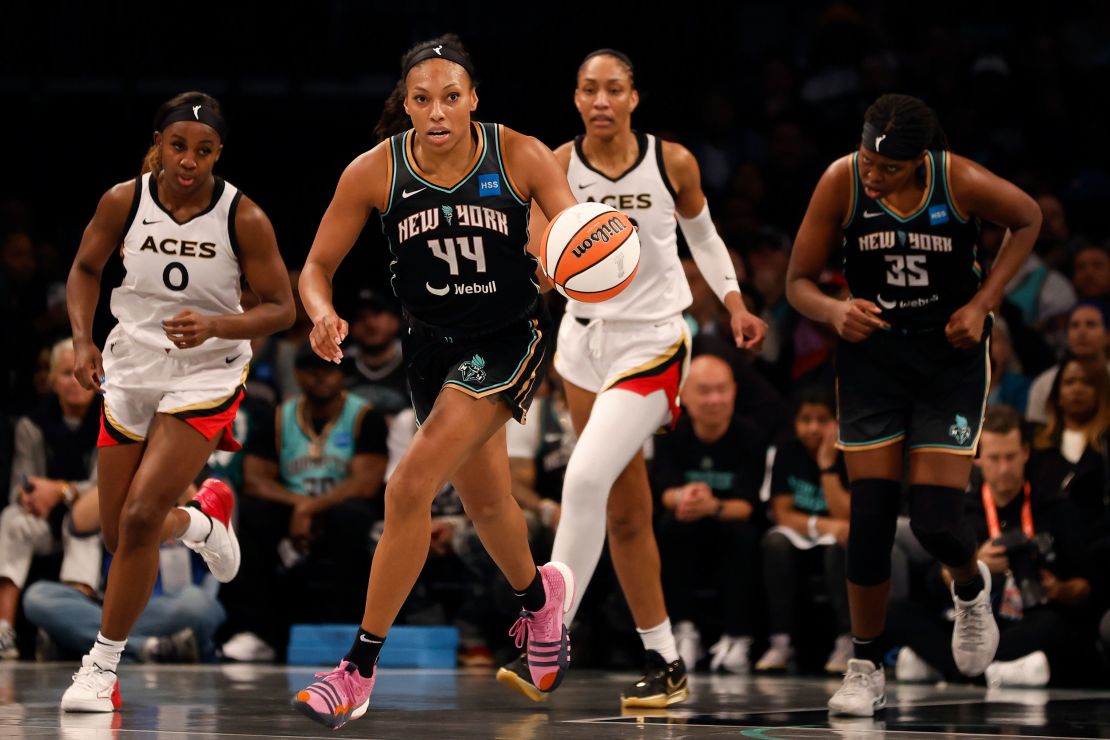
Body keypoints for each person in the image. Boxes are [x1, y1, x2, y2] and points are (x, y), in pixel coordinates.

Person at [291, 35, 577, 730]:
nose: (439, 111)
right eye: (423, 99)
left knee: (408, 486)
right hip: (430, 349)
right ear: (407, 103)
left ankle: (357, 670)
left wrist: (552, 248)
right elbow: (315, 268)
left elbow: (570, 226)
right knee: (485, 503)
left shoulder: (519, 154)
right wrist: (322, 315)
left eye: (452, 96)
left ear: (474, 98)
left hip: (508, 339)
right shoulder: (375, 171)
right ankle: (540, 600)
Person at [497, 48, 766, 710]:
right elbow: (539, 251)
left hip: (653, 339)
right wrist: (544, 267)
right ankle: (667, 662)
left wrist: (732, 301)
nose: (601, 100)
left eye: (613, 89)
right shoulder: (557, 163)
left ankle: (547, 637)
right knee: (623, 508)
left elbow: (702, 237)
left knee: (583, 477)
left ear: (634, 97)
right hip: (583, 344)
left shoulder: (671, 161)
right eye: (589, 89)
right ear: (577, 97)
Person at [786, 93, 1042, 716]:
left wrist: (982, 303)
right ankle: (865, 664)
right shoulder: (840, 181)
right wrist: (833, 310)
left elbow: (1029, 218)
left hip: (947, 361)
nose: (873, 174)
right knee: (869, 520)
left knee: (932, 521)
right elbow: (797, 283)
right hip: (873, 360)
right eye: (869, 159)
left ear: (920, 161)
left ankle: (970, 584)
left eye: (888, 168)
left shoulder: (958, 180)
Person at [61, 91, 295, 711]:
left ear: (219, 153)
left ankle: (101, 669)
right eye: (178, 146)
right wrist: (82, 341)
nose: (189, 161)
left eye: (204, 150)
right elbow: (85, 269)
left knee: (139, 518)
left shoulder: (243, 216)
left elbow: (281, 308)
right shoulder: (123, 200)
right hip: (132, 365)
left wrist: (218, 326)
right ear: (159, 143)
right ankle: (201, 521)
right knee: (118, 535)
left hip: (206, 372)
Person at [888, 405, 1092, 687]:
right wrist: (969, 565)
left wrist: (1059, 589)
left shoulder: (1054, 506)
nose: (1004, 468)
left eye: (1011, 457)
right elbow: (933, 580)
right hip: (970, 625)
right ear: (979, 459)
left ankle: (953, 670)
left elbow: (1086, 584)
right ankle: (997, 672)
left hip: (1028, 620)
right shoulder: (961, 511)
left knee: (1056, 627)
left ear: (1025, 453)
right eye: (995, 458)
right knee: (897, 613)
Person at [651, 355, 763, 674]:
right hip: (687, 522)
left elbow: (747, 505)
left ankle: (737, 637)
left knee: (744, 534)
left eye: (721, 390)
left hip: (728, 522)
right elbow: (664, 491)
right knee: (668, 526)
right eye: (704, 391)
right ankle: (684, 630)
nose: (714, 399)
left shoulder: (750, 435)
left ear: (734, 391)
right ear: (684, 394)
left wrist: (711, 505)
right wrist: (686, 497)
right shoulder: (670, 432)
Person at [0, 338, 102, 659]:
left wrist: (61, 491)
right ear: (50, 381)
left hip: (85, 517)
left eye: (81, 374)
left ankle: (63, 630)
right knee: (11, 519)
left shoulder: (111, 422)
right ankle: (4, 628)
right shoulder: (32, 424)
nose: (74, 383)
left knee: (86, 530)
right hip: (42, 518)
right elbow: (21, 483)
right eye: (64, 374)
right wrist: (31, 496)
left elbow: (106, 488)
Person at [756, 386, 853, 676]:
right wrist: (818, 525)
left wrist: (826, 466)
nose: (813, 428)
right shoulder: (787, 452)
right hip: (804, 533)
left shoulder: (849, 455)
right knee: (774, 542)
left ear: (837, 422)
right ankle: (781, 641)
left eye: (822, 420)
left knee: (842, 543)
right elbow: (782, 512)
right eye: (805, 419)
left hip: (835, 538)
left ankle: (847, 640)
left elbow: (847, 515)